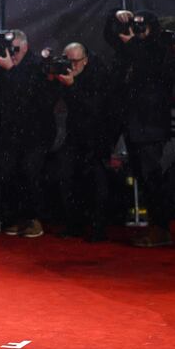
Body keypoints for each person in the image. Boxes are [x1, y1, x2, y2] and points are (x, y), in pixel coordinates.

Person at [104, 10, 175, 247]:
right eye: (135, 26)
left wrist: (133, 45)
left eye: (142, 27)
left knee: (152, 177)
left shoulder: (160, 48)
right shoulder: (130, 48)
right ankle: (154, 226)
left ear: (152, 28)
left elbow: (158, 73)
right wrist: (115, 16)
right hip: (133, 123)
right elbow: (109, 35)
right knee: (141, 176)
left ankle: (161, 228)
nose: (138, 31)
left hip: (151, 124)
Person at [0, 30, 61, 238]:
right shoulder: (2, 66)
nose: (12, 54)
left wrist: (11, 71)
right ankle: (15, 218)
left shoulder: (38, 66)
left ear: (26, 47)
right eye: (9, 50)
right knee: (7, 172)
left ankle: (35, 219)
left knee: (31, 172)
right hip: (13, 131)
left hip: (37, 131)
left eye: (16, 50)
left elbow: (32, 98)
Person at [53, 42, 111, 241]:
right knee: (66, 176)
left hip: (97, 136)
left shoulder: (99, 76)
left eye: (75, 61)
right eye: (67, 60)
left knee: (97, 183)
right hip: (74, 135)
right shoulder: (62, 75)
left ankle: (98, 228)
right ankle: (73, 224)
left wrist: (72, 86)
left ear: (85, 61)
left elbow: (93, 108)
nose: (71, 65)